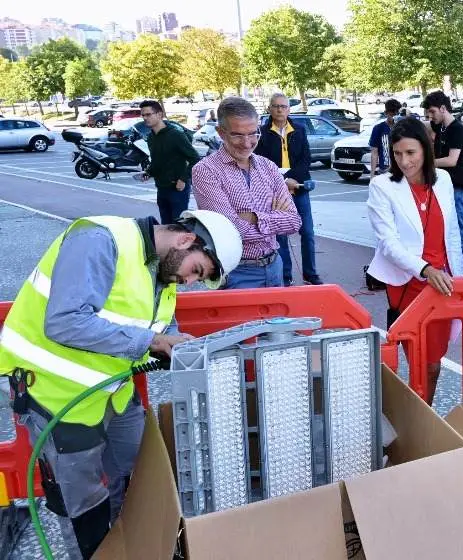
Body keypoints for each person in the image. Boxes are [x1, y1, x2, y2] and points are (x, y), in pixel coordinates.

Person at [0, 210, 242, 559]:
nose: (190, 282)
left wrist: (176, 342)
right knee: (83, 503)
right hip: (58, 397)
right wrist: (153, 343)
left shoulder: (163, 271)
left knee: (142, 477)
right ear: (185, 240)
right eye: (197, 271)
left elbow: (160, 324)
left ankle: (136, 547)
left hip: (113, 394)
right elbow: (65, 322)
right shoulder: (100, 240)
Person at [366, 118, 463, 405]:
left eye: (411, 153)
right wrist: (424, 269)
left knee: (434, 364)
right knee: (419, 361)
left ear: (426, 148)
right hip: (408, 284)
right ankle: (415, 421)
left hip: (442, 283)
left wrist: (459, 274)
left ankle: (423, 418)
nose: (404, 161)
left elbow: (452, 232)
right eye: (397, 154)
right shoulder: (383, 185)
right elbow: (388, 242)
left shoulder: (442, 180)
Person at [192, 96, 301, 289]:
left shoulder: (268, 167)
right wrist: (274, 216)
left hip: (275, 266)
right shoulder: (206, 170)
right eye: (237, 135)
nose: (247, 143)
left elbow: (293, 222)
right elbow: (230, 231)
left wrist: (252, 217)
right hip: (236, 273)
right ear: (220, 132)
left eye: (253, 134)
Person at [254, 93, 323, 286]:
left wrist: (293, 178)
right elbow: (261, 162)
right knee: (281, 236)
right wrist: (283, 181)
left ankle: (310, 273)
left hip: (299, 187)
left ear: (288, 109)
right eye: (275, 106)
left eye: (283, 106)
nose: (279, 110)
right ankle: (286, 276)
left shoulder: (299, 130)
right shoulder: (261, 133)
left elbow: (306, 159)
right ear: (269, 109)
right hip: (275, 192)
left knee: (307, 232)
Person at [423, 90, 463, 249]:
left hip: (456, 182)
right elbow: (424, 125)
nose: (431, 116)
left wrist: (426, 163)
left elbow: (452, 160)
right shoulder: (440, 126)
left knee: (460, 221)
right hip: (445, 181)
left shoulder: (456, 129)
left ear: (443, 108)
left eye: (432, 111)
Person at [139, 100, 200, 225]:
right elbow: (158, 161)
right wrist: (148, 172)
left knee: (178, 227)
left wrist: (183, 179)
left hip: (177, 189)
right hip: (161, 188)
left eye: (148, 114)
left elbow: (195, 158)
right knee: (166, 226)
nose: (145, 118)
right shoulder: (151, 137)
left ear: (160, 114)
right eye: (143, 115)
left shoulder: (175, 135)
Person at [369, 99, 402, 176]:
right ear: (386, 113)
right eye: (391, 114)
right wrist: (372, 174)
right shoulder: (378, 128)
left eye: (396, 114)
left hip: (400, 169)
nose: (394, 116)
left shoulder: (401, 127)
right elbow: (374, 152)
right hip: (384, 170)